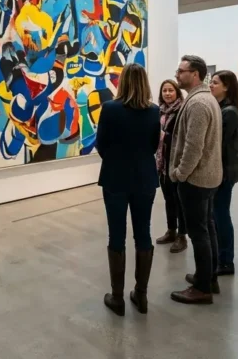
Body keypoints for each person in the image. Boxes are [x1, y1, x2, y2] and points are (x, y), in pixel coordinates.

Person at [95, 63, 159, 316]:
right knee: (143, 233)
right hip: (145, 177)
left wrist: (115, 159)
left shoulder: (110, 108)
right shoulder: (154, 110)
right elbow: (154, 145)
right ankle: (141, 296)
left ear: (122, 82)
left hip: (115, 177)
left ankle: (118, 298)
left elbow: (101, 143)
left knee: (116, 235)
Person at [168, 55, 222, 305]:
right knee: (207, 227)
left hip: (196, 179)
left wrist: (180, 173)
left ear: (196, 74)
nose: (177, 74)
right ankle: (208, 277)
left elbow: (193, 146)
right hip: (207, 177)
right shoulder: (204, 98)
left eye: (181, 71)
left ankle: (202, 288)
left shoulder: (198, 103)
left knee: (199, 233)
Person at [206, 70, 238, 280]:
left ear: (227, 87)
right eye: (211, 82)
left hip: (225, 170)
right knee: (216, 213)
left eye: (215, 82)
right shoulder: (220, 108)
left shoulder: (229, 112)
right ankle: (220, 257)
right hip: (222, 167)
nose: (211, 85)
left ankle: (226, 260)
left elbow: (218, 143)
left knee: (220, 214)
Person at [154, 79, 187, 253]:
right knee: (169, 199)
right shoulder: (159, 111)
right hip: (163, 162)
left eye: (171, 90)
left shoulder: (182, 110)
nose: (167, 93)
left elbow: (182, 137)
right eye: (164, 90)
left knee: (180, 201)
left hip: (177, 161)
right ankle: (171, 230)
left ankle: (182, 235)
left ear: (177, 92)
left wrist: (162, 136)